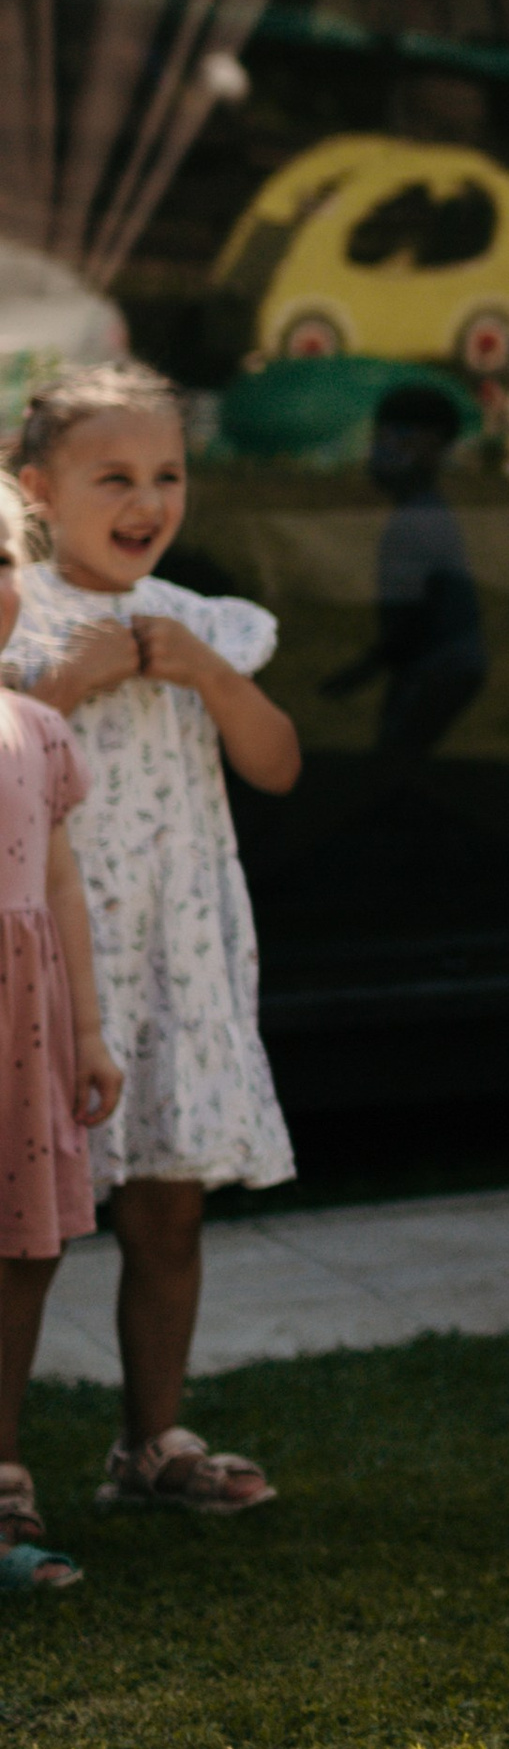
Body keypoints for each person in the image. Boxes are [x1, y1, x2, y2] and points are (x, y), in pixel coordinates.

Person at [4, 365, 298, 1513]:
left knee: (168, 1202)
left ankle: (152, 1440)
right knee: (23, 1227)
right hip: (54, 964)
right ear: (36, 490)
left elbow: (277, 765)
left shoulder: (200, 621)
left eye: (167, 474)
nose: (147, 498)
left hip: (174, 956)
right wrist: (67, 685)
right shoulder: (17, 617)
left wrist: (208, 671)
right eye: (114, 476)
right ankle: (3, 1465)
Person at [0, 477, 122, 1595]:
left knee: (25, 1248)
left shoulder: (37, 732)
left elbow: (63, 883)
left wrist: (87, 1028)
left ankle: (1, 1471)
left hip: (25, 1032)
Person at [322, 382, 489, 762]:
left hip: (437, 667)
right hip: (436, 663)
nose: (381, 451)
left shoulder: (417, 522)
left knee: (395, 761)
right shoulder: (421, 515)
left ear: (432, 447)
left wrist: (361, 672)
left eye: (400, 437)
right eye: (381, 437)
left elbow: (411, 620)